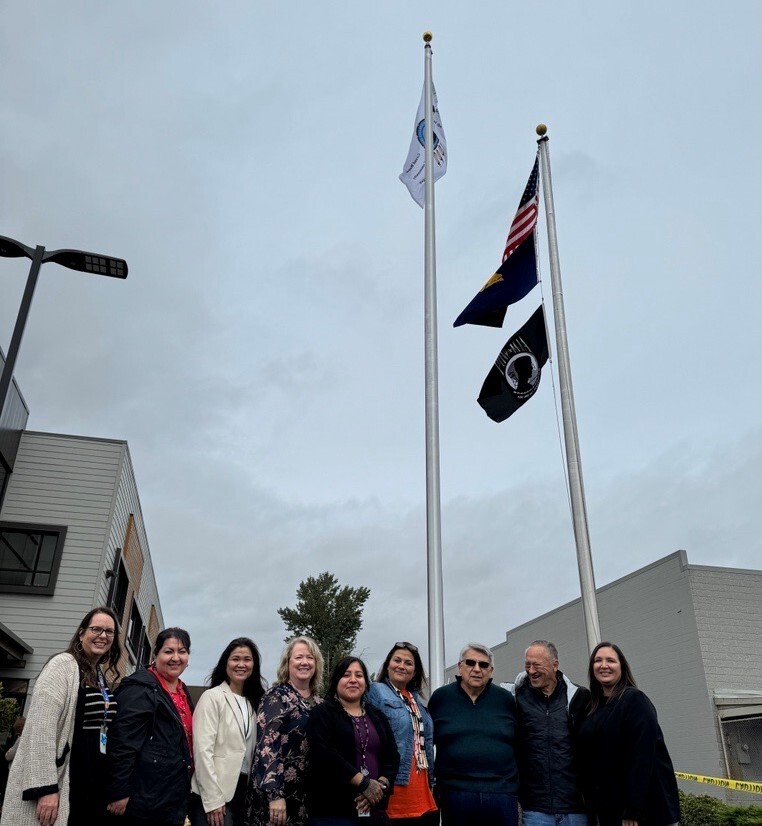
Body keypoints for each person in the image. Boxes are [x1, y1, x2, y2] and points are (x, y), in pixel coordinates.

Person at [0, 606, 121, 826]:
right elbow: (40, 728)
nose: (103, 636)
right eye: (96, 629)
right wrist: (45, 788)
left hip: (90, 780)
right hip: (64, 778)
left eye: (109, 631)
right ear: (82, 633)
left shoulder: (97, 673)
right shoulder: (63, 665)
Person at [577, 642, 680, 826]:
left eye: (611, 660)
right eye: (598, 660)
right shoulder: (592, 707)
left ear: (622, 666)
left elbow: (642, 758)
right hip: (606, 812)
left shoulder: (634, 700)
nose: (604, 665)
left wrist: (633, 809)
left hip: (640, 815)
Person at [107, 627, 195, 826]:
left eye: (182, 652)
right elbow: (122, 743)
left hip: (168, 795)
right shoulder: (140, 689)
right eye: (168, 651)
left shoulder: (182, 690)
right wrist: (119, 790)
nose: (176, 658)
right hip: (142, 798)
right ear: (155, 655)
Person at [428, 643, 518, 826]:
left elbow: (520, 744)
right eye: (470, 663)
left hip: (501, 794)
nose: (477, 669)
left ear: (491, 670)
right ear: (460, 666)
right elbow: (426, 744)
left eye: (483, 665)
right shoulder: (440, 698)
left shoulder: (506, 700)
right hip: (454, 795)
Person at [306, 656, 399, 824]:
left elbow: (393, 756)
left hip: (374, 810)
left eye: (359, 675)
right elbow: (325, 755)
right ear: (336, 681)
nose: (353, 680)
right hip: (333, 812)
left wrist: (380, 787)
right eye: (346, 675)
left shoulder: (377, 715)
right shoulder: (322, 713)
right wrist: (364, 784)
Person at [245, 636, 324, 826]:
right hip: (277, 798)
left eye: (310, 657)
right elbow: (267, 746)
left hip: (307, 797)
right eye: (298, 657)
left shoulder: (320, 703)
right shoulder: (275, 697)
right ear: (287, 663)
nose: (304, 662)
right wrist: (275, 795)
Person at [509, 641, 589, 826]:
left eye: (537, 664)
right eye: (527, 665)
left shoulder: (580, 697)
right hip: (536, 810)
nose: (531, 671)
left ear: (555, 665)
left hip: (576, 809)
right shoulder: (516, 698)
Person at [190, 638, 267, 826]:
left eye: (247, 659)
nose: (241, 664)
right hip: (213, 794)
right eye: (235, 659)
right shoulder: (212, 697)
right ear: (226, 663)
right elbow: (202, 751)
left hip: (242, 793)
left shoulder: (254, 703)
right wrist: (213, 800)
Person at [367, 643, 437, 826]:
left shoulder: (417, 699)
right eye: (397, 660)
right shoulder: (375, 691)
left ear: (414, 671)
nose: (401, 666)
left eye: (408, 663)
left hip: (423, 792)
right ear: (388, 665)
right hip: (394, 790)